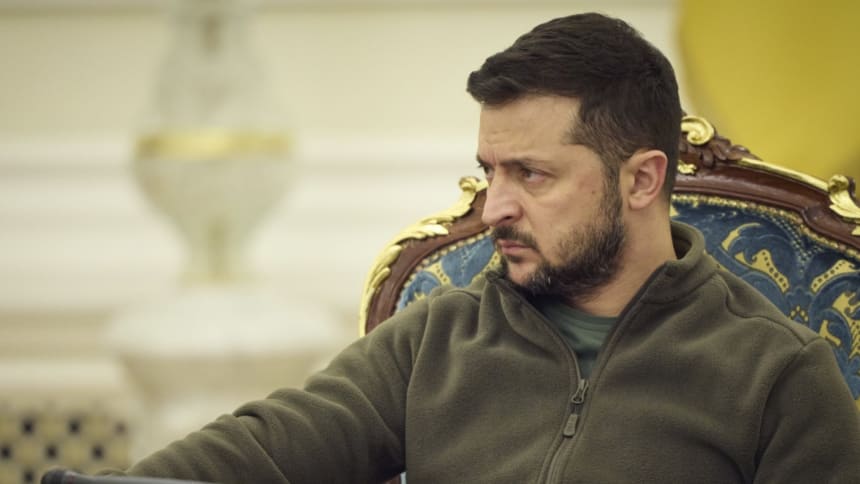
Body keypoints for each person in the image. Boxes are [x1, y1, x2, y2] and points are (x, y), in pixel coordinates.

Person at [99, 12, 859, 483]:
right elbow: (267, 449)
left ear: (641, 180)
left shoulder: (776, 375)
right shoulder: (438, 336)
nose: (494, 207)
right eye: (490, 171)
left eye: (532, 174)